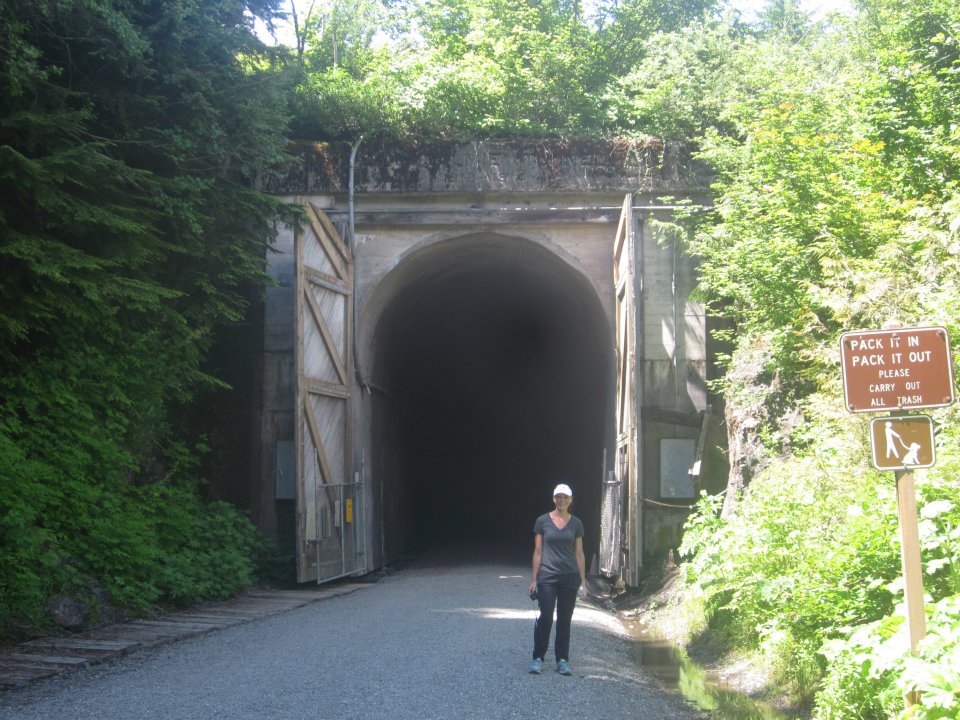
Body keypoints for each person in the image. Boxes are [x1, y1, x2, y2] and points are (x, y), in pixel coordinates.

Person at [528, 483, 587, 676]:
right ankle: (538, 658)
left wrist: (583, 581)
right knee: (545, 617)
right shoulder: (542, 521)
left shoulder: (576, 523)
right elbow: (538, 551)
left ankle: (562, 660)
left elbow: (579, 553)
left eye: (565, 497)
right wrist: (534, 579)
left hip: (569, 576)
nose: (561, 500)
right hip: (547, 575)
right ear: (554, 499)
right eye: (558, 497)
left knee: (564, 619)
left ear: (571, 500)